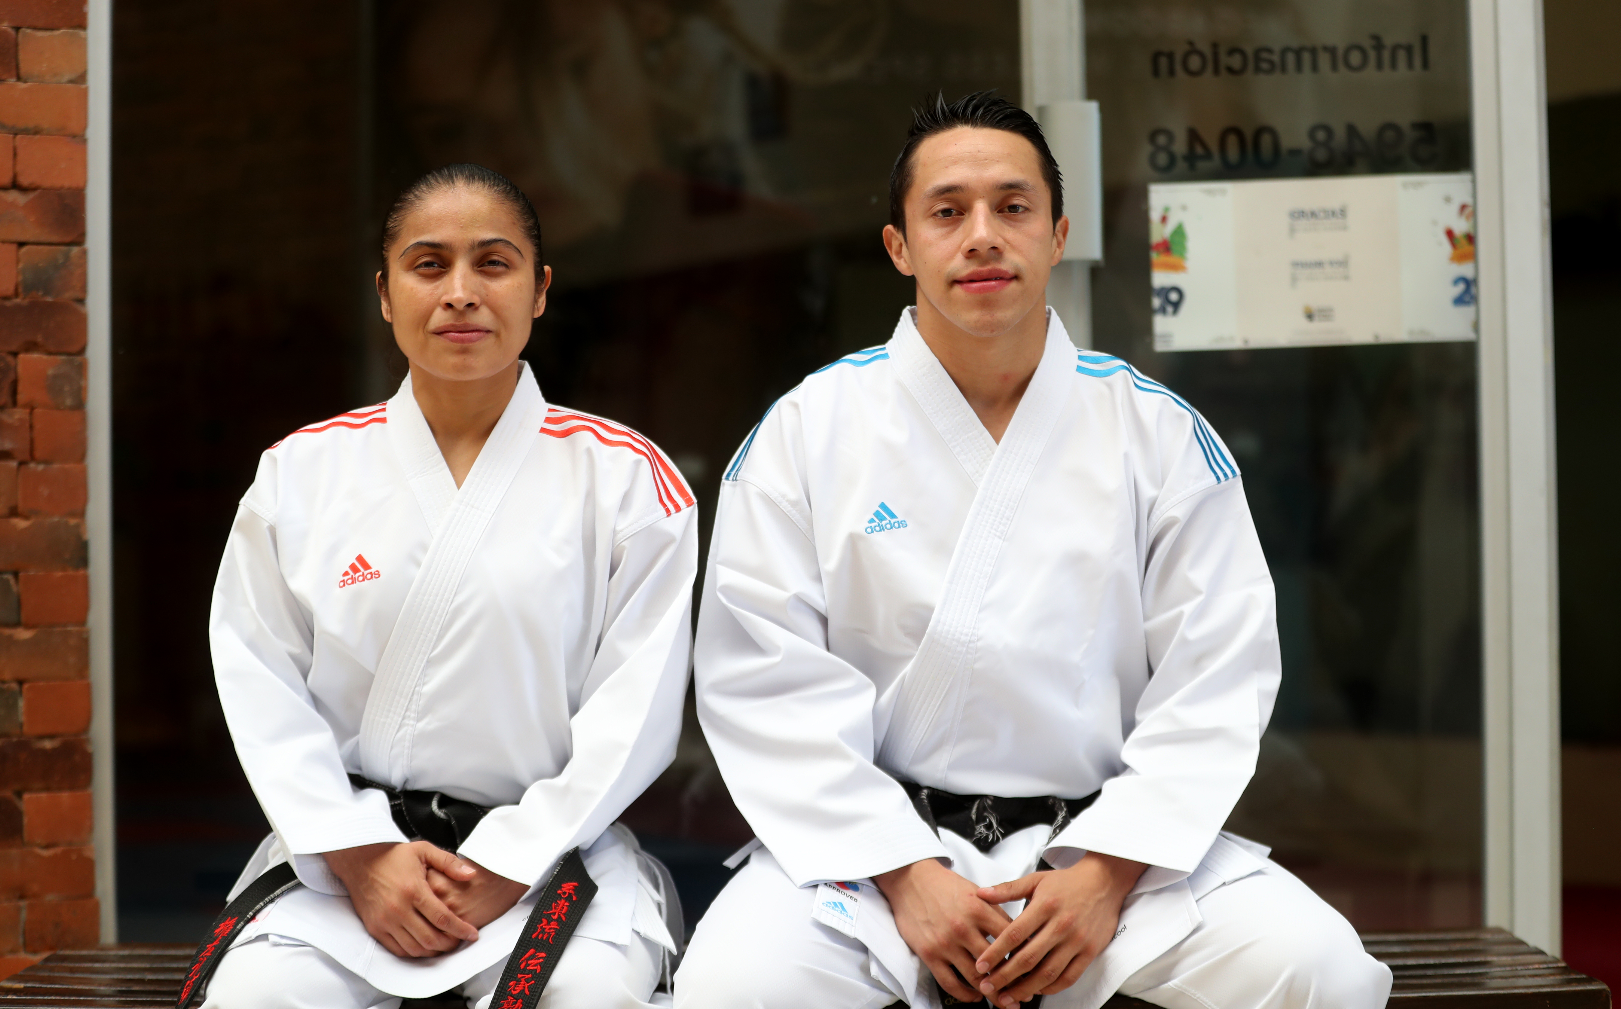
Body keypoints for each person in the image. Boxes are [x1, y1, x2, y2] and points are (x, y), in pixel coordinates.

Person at [676, 93, 1392, 1009]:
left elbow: (1217, 674)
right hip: (870, 854)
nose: (982, 235)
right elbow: (760, 680)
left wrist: (1105, 874)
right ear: (899, 246)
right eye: (947, 211)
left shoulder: (1155, 432)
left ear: (1056, 235)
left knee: (1318, 969)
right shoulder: (807, 431)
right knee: (729, 989)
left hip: (1109, 853)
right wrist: (904, 872)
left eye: (1012, 208)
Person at [196, 164, 697, 1009]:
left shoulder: (624, 479)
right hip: (348, 865)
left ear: (539, 291)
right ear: (385, 294)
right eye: (428, 265)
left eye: (491, 264)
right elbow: (260, 680)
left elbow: (635, 714)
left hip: (547, 863)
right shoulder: (302, 472)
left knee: (586, 998)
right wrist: (358, 854)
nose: (460, 292)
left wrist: (506, 862)